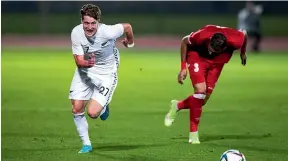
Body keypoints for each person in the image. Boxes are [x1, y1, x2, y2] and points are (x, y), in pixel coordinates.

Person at [164, 25, 247, 144]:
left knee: (202, 101)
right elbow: (184, 41)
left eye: (214, 51)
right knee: (200, 92)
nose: (210, 51)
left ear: (223, 48)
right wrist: (183, 68)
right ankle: (193, 134)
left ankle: (177, 105)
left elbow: (245, 34)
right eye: (210, 48)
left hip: (217, 64)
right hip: (197, 57)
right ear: (210, 40)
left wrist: (243, 52)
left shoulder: (236, 40)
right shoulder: (202, 35)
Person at [69, 4, 134, 153]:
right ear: (81, 21)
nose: (89, 27)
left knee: (92, 113)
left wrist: (130, 42)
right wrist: (87, 62)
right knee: (77, 108)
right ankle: (86, 144)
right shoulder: (76, 33)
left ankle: (104, 104)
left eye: (93, 23)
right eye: (86, 23)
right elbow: (79, 61)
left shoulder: (108, 31)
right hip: (86, 70)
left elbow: (128, 27)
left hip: (106, 73)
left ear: (98, 21)